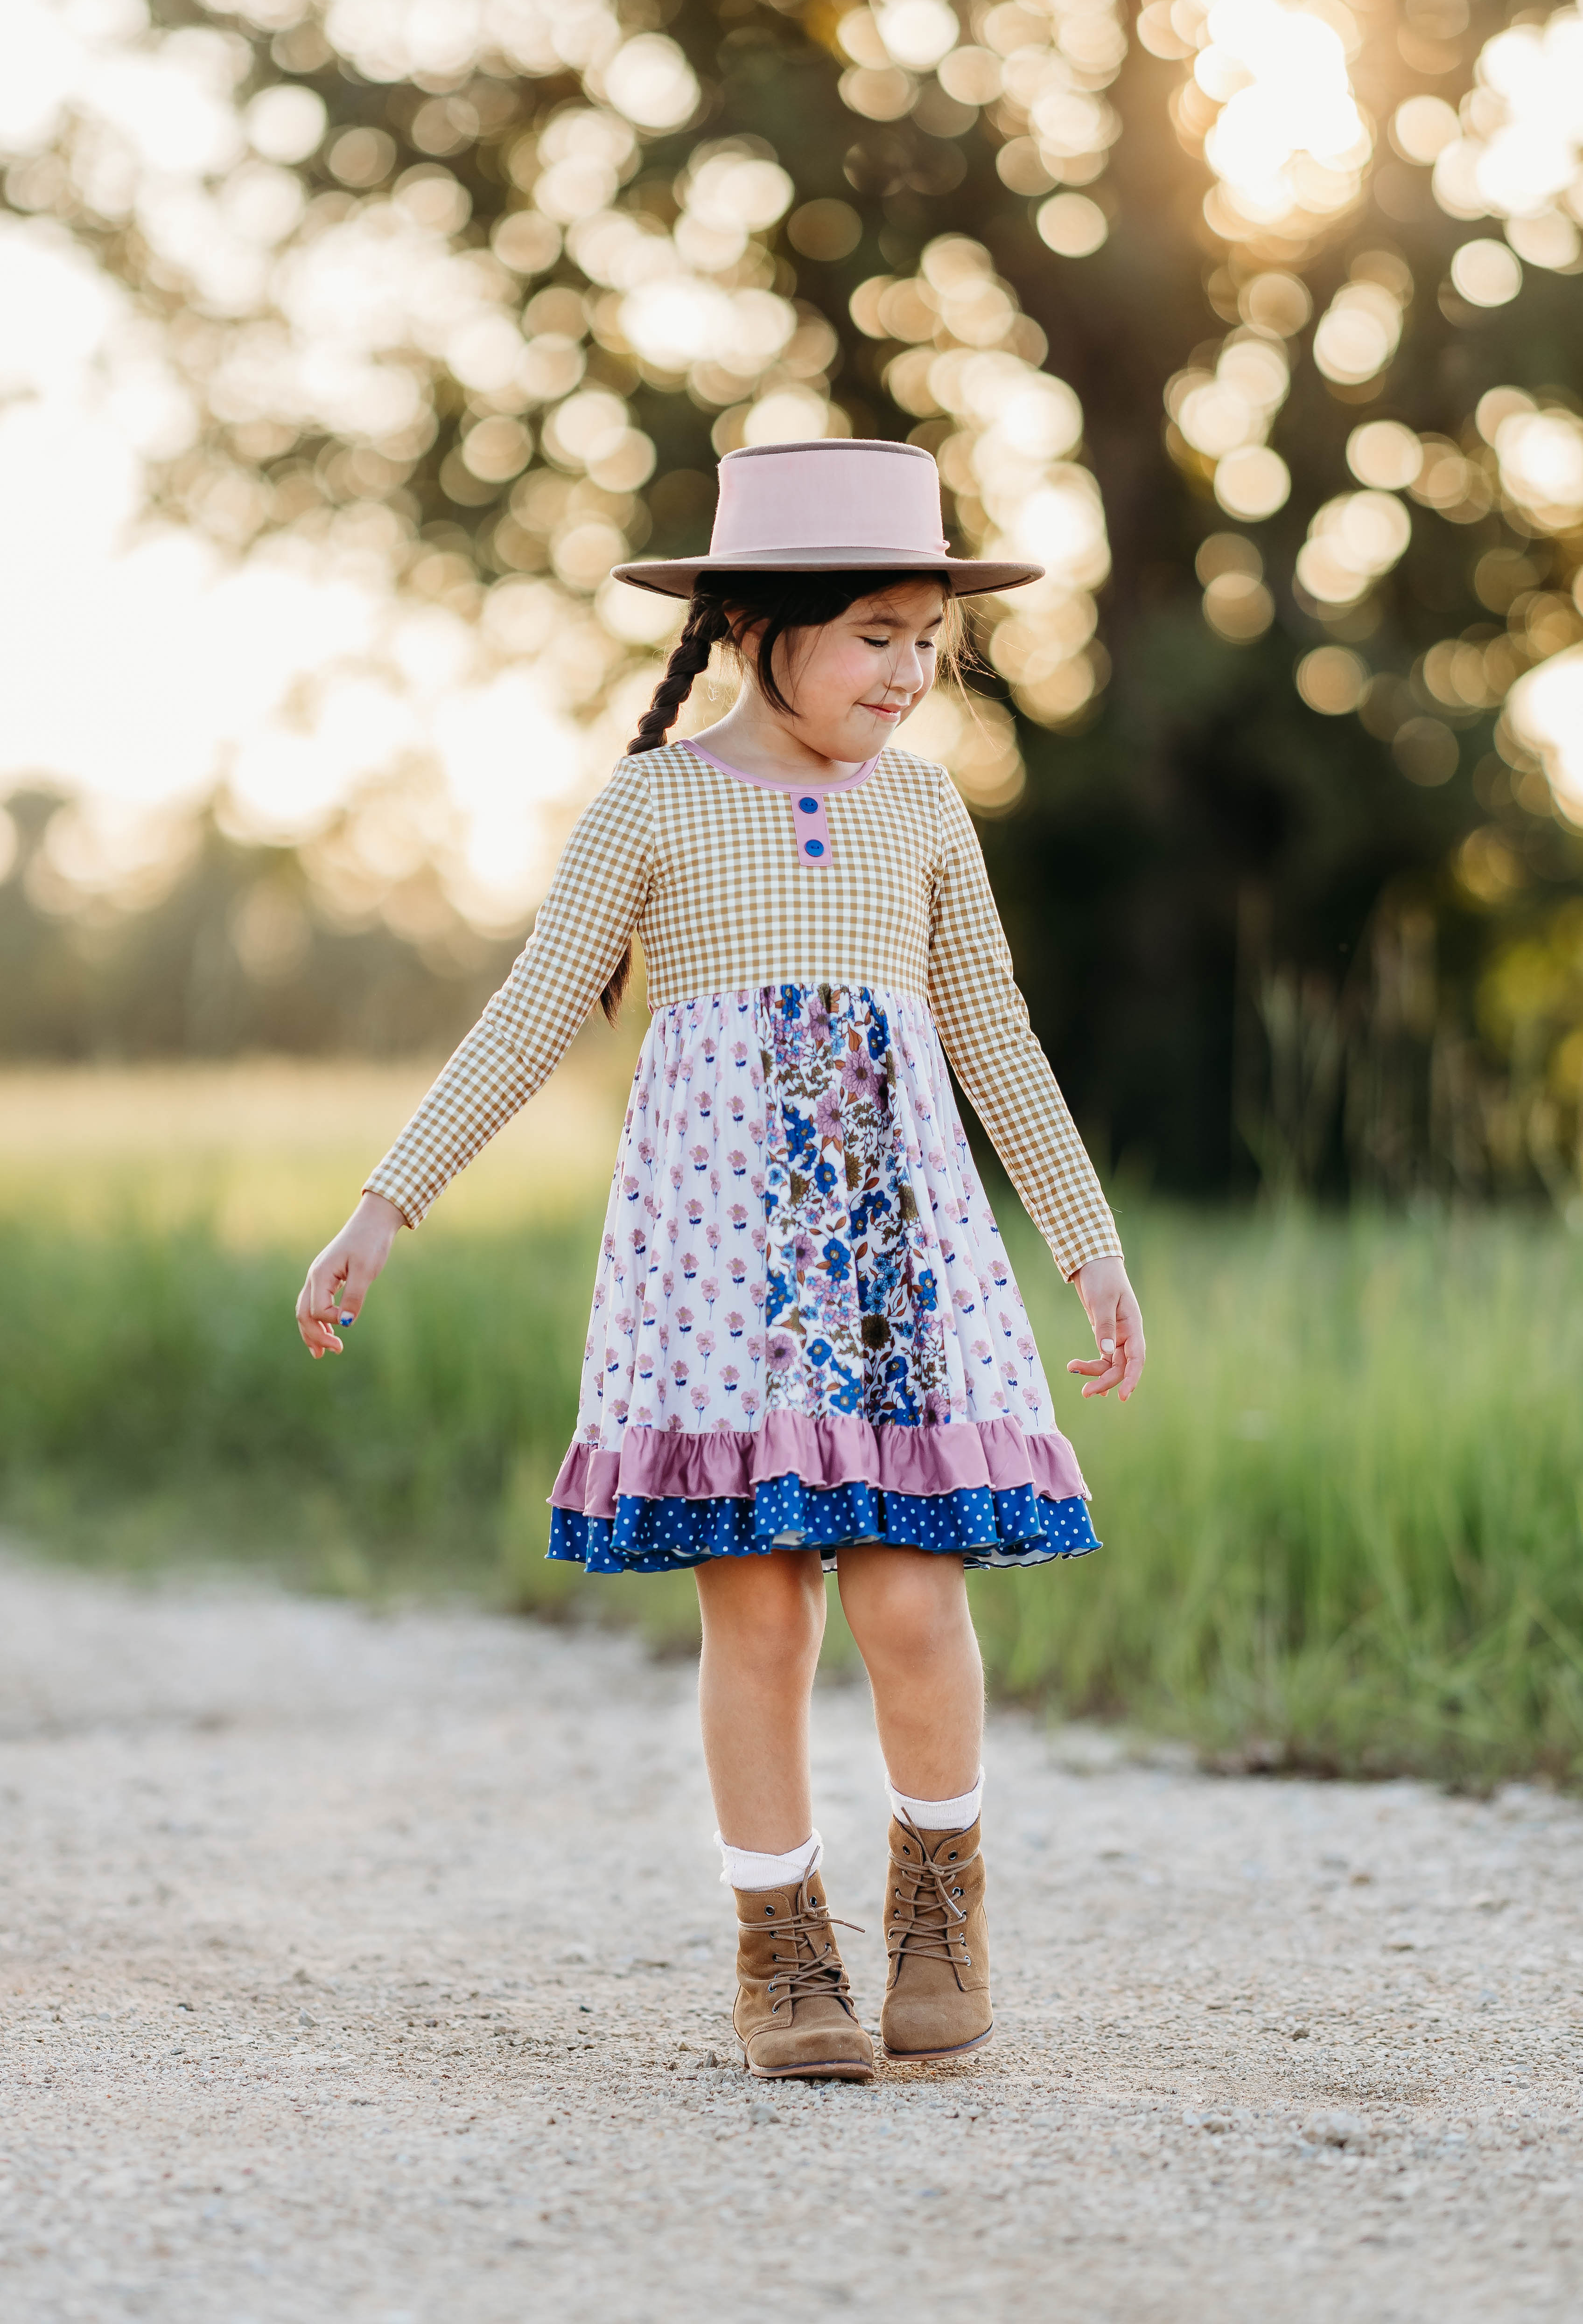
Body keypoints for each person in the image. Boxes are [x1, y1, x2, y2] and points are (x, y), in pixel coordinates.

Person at [296, 438, 1144, 2085]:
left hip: (901, 1271)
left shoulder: (921, 815)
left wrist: (1088, 1241)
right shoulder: (659, 804)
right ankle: (780, 1950)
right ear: (761, 625)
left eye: (926, 640)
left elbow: (996, 1035)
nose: (909, 676)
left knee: (912, 1603)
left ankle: (941, 1904)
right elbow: (534, 1012)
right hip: (717, 1282)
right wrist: (383, 1205)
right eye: (875, 638)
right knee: (758, 1619)